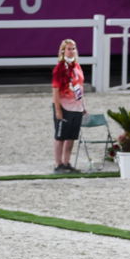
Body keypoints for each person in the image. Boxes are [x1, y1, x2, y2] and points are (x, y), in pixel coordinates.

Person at [51, 39, 87, 174]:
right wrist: (58, 109)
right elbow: (55, 89)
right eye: (69, 49)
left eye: (73, 49)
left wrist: (81, 105)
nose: (71, 51)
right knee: (60, 136)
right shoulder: (59, 68)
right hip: (64, 106)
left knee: (71, 137)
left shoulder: (77, 66)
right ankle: (57, 164)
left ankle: (66, 163)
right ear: (63, 51)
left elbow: (79, 87)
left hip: (76, 107)